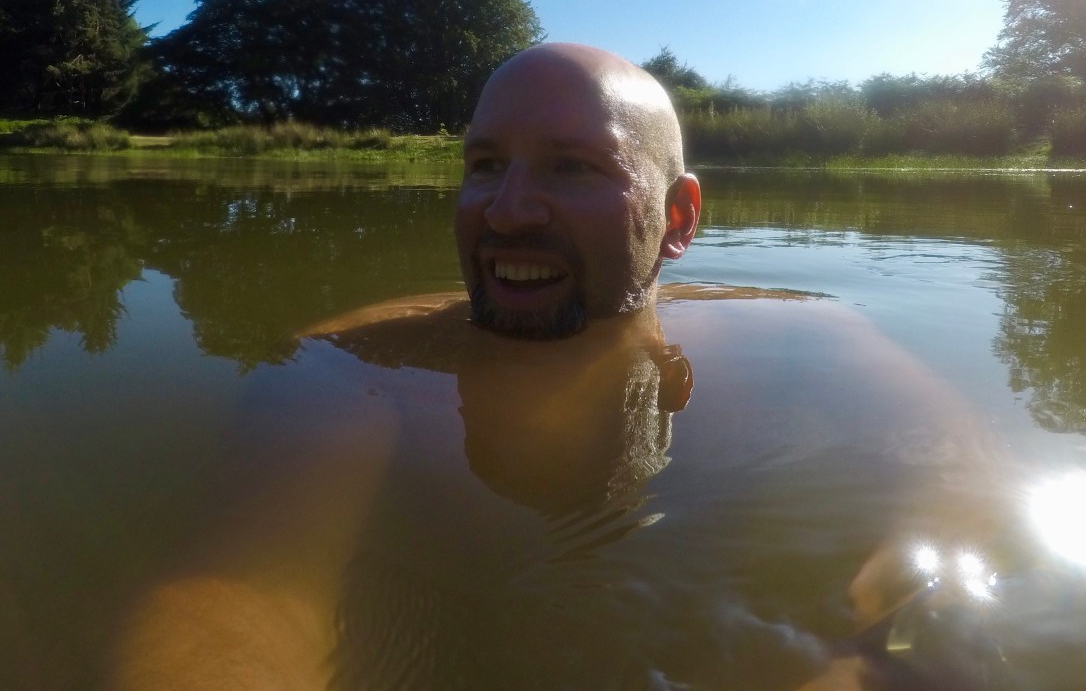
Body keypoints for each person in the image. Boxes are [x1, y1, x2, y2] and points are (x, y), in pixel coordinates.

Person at [108, 44, 1016, 691]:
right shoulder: (360, 361)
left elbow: (960, 488)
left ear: (680, 218)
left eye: (574, 168)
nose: (505, 213)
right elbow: (240, 593)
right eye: (484, 165)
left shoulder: (810, 337)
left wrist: (892, 628)